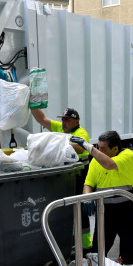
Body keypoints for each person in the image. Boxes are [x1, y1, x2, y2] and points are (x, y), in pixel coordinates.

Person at [71, 130, 133, 265]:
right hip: (106, 212)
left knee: (128, 255)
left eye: (102, 148)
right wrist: (87, 197)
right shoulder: (96, 161)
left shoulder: (128, 155)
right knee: (98, 252)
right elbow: (88, 184)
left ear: (115, 149)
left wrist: (87, 146)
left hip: (128, 212)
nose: (98, 151)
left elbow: (109, 164)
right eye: (97, 147)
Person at [31, 107, 93, 251]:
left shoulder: (81, 133)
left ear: (76, 121)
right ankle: (71, 241)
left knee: (80, 211)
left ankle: (85, 245)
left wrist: (56, 144)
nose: (64, 123)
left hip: (80, 177)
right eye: (63, 120)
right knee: (68, 210)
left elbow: (80, 148)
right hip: (67, 177)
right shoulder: (61, 129)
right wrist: (32, 104)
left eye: (68, 120)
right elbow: (42, 119)